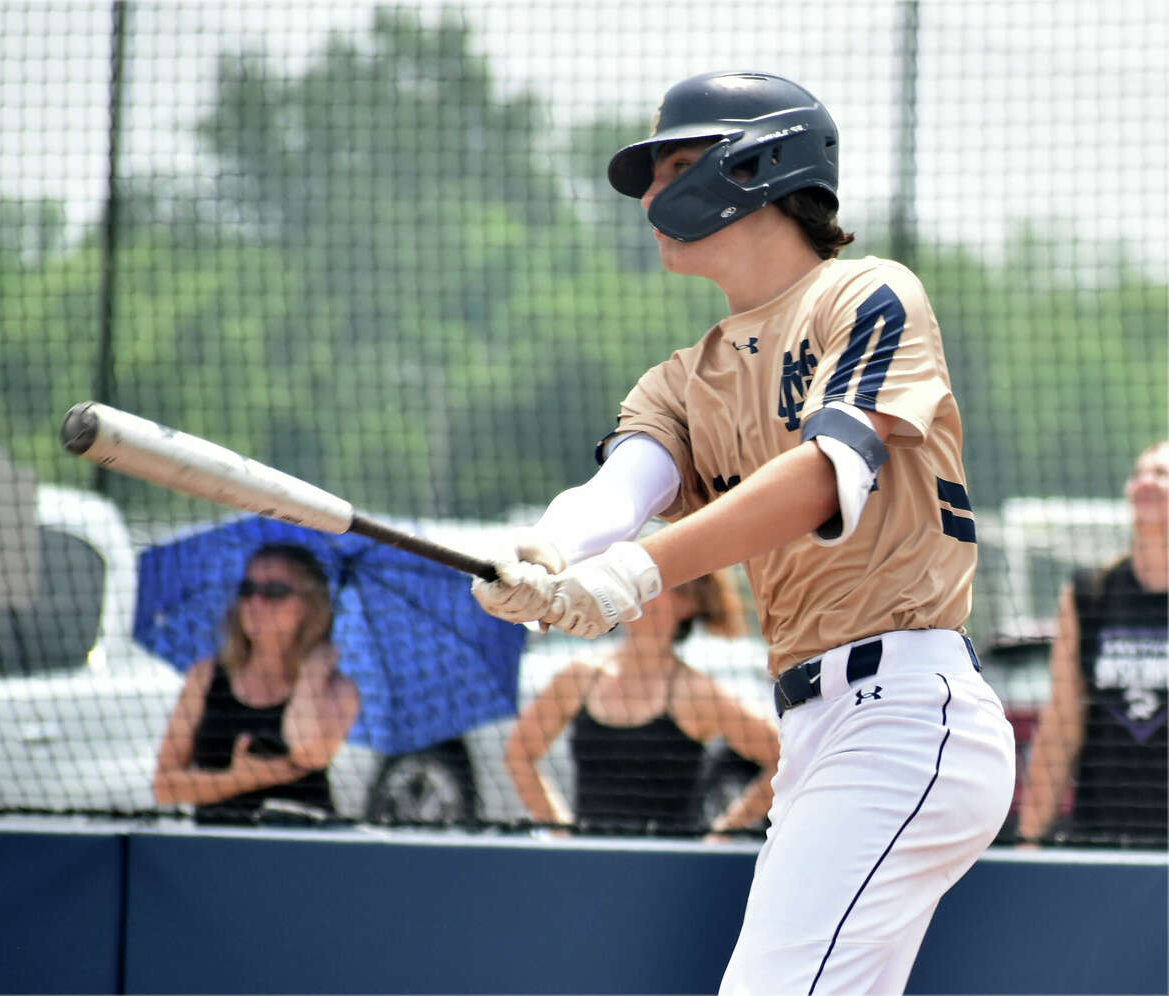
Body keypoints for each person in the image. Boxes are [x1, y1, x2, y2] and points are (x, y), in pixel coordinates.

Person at [472, 70, 1016, 993]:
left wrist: (635, 574)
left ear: (759, 164)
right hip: (816, 730)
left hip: (906, 711)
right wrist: (551, 554)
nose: (650, 195)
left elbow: (820, 478)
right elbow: (619, 492)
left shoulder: (868, 294)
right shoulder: (684, 378)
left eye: (675, 164)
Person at [506, 569, 780, 838]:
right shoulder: (580, 676)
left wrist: (721, 834)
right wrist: (560, 830)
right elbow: (519, 752)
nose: (639, 595)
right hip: (591, 865)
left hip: (670, 868)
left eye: (655, 587)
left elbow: (780, 758)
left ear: (688, 603)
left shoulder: (697, 693)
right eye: (636, 584)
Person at [1018, 441, 1168, 848]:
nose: (1146, 483)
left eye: (1162, 474)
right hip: (1104, 833)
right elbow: (1062, 721)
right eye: (1140, 474)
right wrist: (1031, 836)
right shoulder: (1091, 593)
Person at [154, 542, 361, 825]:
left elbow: (308, 752)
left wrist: (313, 674)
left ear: (309, 607)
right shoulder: (205, 677)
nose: (256, 603)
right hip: (217, 843)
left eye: (274, 592)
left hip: (303, 846)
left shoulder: (338, 690)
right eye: (247, 590)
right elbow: (164, 786)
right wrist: (239, 779)